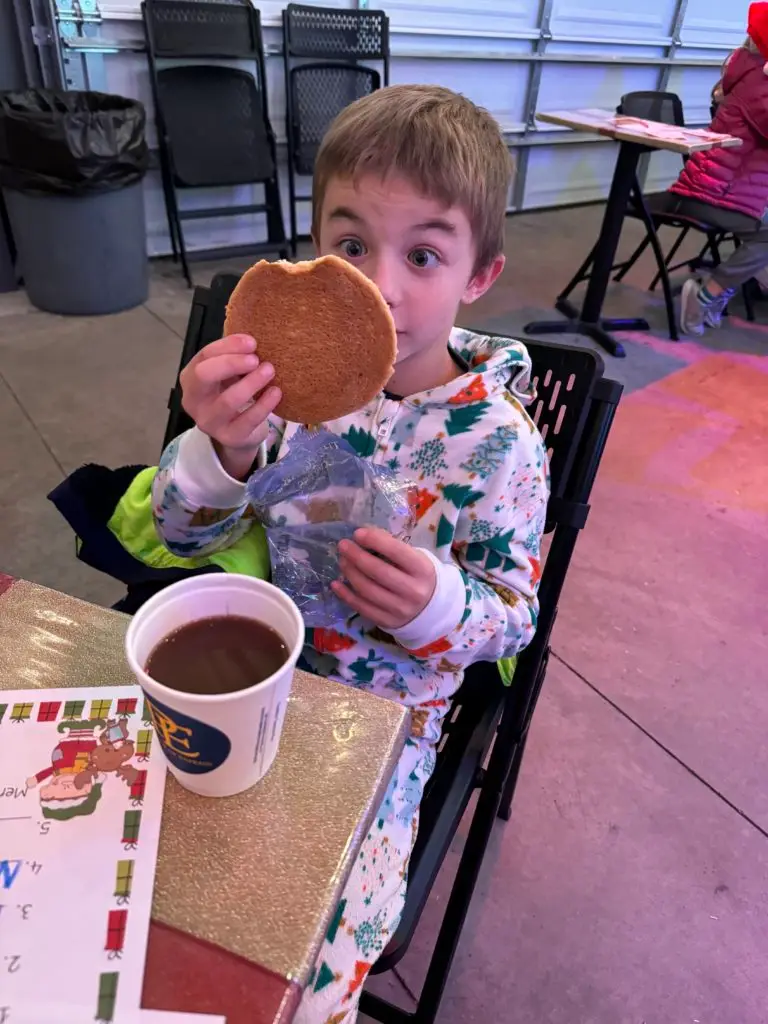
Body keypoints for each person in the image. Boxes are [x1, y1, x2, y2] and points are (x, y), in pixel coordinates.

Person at [151, 84, 549, 1024]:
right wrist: (222, 450)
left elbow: (514, 618)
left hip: (387, 720)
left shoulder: (500, 445)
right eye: (352, 246)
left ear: (479, 274)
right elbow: (182, 538)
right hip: (254, 662)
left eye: (423, 254)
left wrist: (442, 606)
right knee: (126, 874)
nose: (379, 286)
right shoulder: (285, 384)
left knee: (311, 954)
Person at [665, 2, 768, 336]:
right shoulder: (759, 82)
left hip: (729, 187)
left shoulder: (748, 68)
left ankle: (734, 287)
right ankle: (708, 293)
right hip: (716, 191)